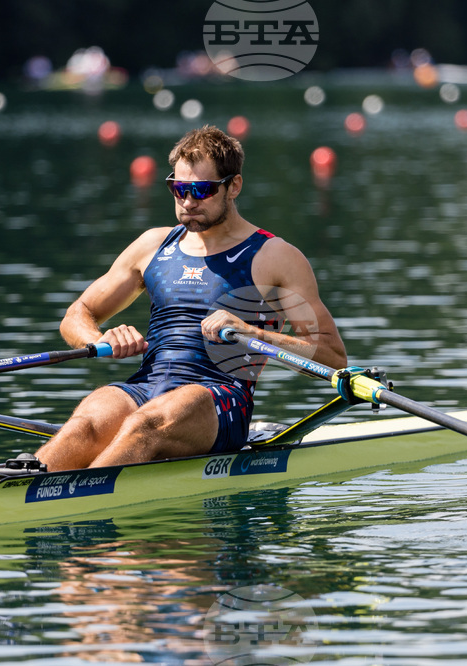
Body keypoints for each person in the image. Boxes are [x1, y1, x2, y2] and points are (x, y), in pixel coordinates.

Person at [35, 126, 347, 472]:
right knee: (85, 424)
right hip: (146, 386)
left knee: (146, 424)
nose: (188, 201)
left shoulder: (275, 257)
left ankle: (79, 497)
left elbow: (332, 358)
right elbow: (77, 313)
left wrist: (254, 333)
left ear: (234, 186)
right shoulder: (153, 246)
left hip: (220, 398)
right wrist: (99, 338)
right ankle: (19, 488)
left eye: (202, 190)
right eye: (179, 188)